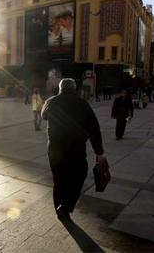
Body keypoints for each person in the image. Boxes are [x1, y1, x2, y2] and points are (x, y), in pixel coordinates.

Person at [41, 78, 104, 222]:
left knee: (59, 180)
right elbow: (94, 128)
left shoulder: (51, 101)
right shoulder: (82, 104)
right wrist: (98, 151)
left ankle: (60, 211)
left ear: (60, 88)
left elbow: (43, 116)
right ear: (74, 88)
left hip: (55, 149)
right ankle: (65, 207)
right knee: (79, 176)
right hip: (75, 150)